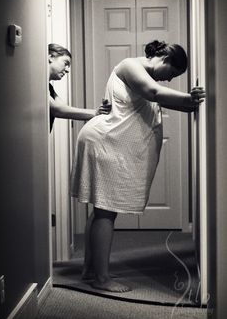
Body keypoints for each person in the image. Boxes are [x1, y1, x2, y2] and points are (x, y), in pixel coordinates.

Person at [70, 40, 205, 293]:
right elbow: (154, 92)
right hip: (105, 142)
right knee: (105, 211)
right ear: (164, 58)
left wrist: (192, 105)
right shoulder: (130, 65)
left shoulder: (144, 76)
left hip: (108, 143)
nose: (169, 80)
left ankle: (91, 271)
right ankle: (101, 279)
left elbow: (163, 99)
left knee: (102, 210)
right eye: (173, 74)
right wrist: (189, 97)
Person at [48, 43, 111, 132]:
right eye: (66, 63)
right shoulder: (38, 84)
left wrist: (98, 112)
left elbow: (64, 108)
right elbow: (57, 110)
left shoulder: (48, 87)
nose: (67, 70)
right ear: (50, 57)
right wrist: (96, 112)